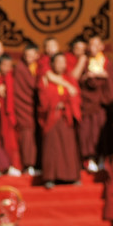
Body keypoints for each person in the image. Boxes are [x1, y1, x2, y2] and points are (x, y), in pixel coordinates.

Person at [75, 36, 113, 172]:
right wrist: (88, 77)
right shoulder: (85, 61)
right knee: (87, 132)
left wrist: (105, 75)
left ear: (101, 47)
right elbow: (77, 79)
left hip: (101, 104)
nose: (92, 48)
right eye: (90, 45)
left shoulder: (106, 62)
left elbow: (112, 81)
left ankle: (101, 158)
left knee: (101, 132)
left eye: (95, 45)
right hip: (88, 102)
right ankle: (89, 159)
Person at [38, 53, 82, 189]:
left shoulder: (70, 79)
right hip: (52, 118)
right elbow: (43, 99)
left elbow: (77, 97)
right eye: (58, 62)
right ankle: (50, 178)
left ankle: (71, 177)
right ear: (52, 64)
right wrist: (55, 104)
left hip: (66, 118)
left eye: (63, 62)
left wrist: (68, 104)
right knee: (52, 148)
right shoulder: (46, 79)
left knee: (68, 148)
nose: (61, 65)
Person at [13, 45, 41, 174]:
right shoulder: (20, 68)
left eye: (31, 55)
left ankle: (38, 163)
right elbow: (22, 89)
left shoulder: (39, 67)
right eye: (26, 56)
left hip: (37, 106)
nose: (29, 58)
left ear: (37, 55)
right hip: (24, 106)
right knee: (27, 134)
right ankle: (28, 164)